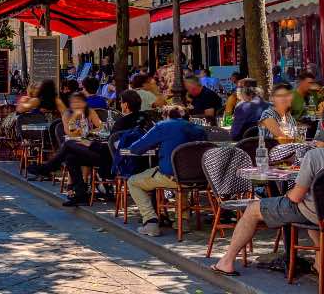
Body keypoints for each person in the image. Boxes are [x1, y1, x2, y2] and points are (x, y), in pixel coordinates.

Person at [212, 146, 324, 276]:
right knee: (314, 225)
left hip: (313, 212)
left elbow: (295, 197)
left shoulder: (315, 156)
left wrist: (288, 193)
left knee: (252, 209)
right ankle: (318, 265)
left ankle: (226, 262)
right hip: (319, 215)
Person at [127, 106, 206, 236]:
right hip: (197, 177)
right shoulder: (198, 128)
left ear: (166, 116)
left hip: (171, 176)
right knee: (183, 174)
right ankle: (182, 220)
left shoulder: (163, 126)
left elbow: (136, 148)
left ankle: (150, 221)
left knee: (133, 182)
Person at [26, 92, 105, 206]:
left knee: (69, 150)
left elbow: (100, 126)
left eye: (79, 102)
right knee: (70, 156)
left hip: (88, 145)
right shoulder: (67, 114)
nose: (76, 105)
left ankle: (48, 168)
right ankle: (80, 194)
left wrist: (90, 132)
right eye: (73, 102)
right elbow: (71, 133)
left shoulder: (90, 111)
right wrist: (74, 117)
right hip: (75, 143)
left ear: (84, 103)